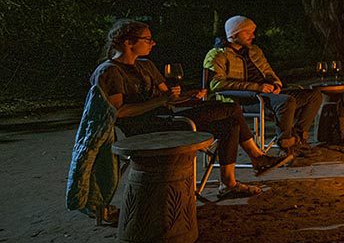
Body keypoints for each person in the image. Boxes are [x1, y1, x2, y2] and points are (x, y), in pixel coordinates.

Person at [85, 20, 291, 204]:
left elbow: (170, 98)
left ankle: (228, 184)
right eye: (147, 39)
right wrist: (162, 100)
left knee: (230, 123)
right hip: (145, 128)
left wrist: (190, 97)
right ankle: (257, 157)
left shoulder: (146, 65)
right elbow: (119, 112)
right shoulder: (110, 71)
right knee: (231, 108)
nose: (153, 43)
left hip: (169, 117)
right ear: (129, 43)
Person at [203, 16, 322, 155]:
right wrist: (257, 88)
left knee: (313, 96)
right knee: (285, 102)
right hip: (242, 99)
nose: (252, 36)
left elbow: (267, 71)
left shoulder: (254, 50)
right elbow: (216, 84)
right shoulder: (217, 55)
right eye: (248, 33)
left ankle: (298, 139)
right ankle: (287, 146)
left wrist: (276, 83)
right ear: (234, 34)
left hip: (266, 95)